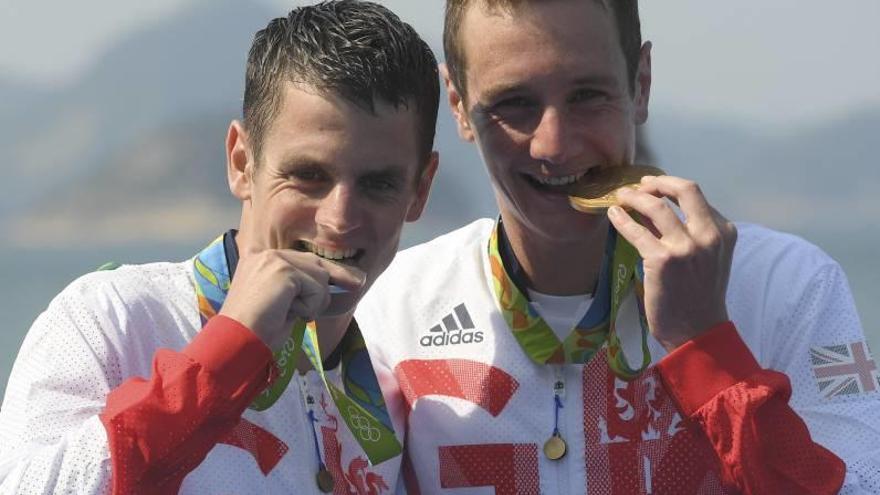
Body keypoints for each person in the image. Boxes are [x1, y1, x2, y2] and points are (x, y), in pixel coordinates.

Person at [354, 0, 880, 493]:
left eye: (587, 96)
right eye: (514, 104)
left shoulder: (790, 285)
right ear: (459, 106)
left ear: (641, 84)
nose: (554, 146)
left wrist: (707, 345)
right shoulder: (390, 307)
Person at [0, 1, 439, 493]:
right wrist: (228, 352)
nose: (338, 219)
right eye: (308, 176)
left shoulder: (388, 402)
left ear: (420, 190)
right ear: (241, 162)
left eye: (378, 184)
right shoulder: (113, 319)